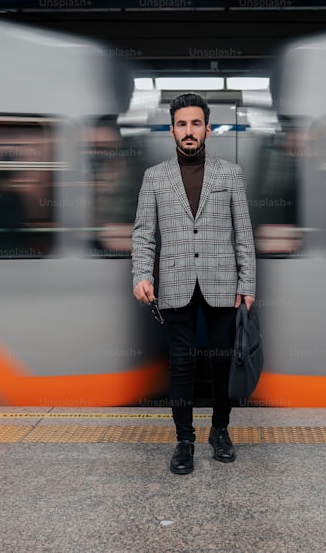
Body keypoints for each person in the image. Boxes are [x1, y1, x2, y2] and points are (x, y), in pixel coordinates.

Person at [132, 93, 256, 474]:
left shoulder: (230, 173)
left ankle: (220, 431)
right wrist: (141, 274)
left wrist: (247, 282)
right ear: (172, 130)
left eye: (196, 124)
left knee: (221, 365)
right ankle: (184, 440)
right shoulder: (154, 177)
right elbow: (143, 233)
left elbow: (243, 234)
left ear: (208, 129)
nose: (189, 131)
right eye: (182, 124)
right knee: (182, 365)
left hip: (222, 281)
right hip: (175, 280)